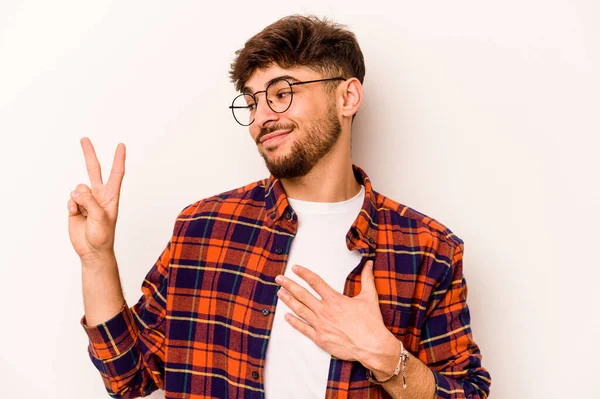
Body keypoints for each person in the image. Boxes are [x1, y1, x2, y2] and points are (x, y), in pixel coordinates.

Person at [68, 15, 491, 399]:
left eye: (282, 93)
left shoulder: (427, 250)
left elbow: (467, 392)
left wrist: (383, 355)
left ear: (347, 97)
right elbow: (128, 375)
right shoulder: (203, 228)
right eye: (252, 102)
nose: (261, 118)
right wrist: (96, 259)